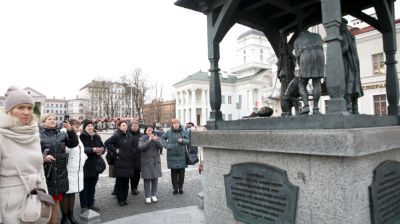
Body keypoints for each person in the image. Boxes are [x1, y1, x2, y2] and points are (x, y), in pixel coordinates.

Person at [0, 86, 48, 223]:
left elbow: (40, 170)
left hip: (35, 201)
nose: (26, 112)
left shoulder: (34, 133)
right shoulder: (2, 136)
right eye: (20, 107)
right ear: (10, 110)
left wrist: (45, 194)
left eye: (29, 107)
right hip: (9, 206)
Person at [40, 112, 79, 224]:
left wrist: (71, 131)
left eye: (54, 119)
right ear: (44, 122)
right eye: (49, 119)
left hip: (59, 173)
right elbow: (31, 153)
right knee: (44, 202)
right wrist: (43, 157)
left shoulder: (61, 134)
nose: (53, 120)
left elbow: (73, 144)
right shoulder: (38, 134)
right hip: (45, 172)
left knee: (56, 201)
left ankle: (53, 222)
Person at [60, 119, 87, 224]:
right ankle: (64, 217)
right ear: (69, 127)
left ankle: (71, 215)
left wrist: (84, 158)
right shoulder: (64, 135)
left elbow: (81, 151)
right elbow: (65, 150)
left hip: (77, 170)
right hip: (68, 169)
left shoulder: (77, 136)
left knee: (73, 193)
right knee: (66, 194)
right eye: (76, 127)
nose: (79, 128)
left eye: (79, 126)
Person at [105, 121, 136, 206]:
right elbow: (107, 143)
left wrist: (132, 153)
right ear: (119, 127)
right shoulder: (117, 136)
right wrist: (115, 150)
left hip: (128, 161)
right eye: (123, 125)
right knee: (120, 182)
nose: (125, 127)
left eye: (126, 125)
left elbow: (133, 146)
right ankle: (120, 199)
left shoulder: (130, 136)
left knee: (126, 182)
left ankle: (125, 199)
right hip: (120, 161)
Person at [294, 30, 325, 115]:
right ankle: (315, 108)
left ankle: (306, 106)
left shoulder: (298, 40)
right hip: (319, 57)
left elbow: (297, 55)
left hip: (306, 57)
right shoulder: (317, 35)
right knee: (317, 83)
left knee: (302, 84)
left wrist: (300, 65)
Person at [79, 119, 105, 213]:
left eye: (91, 126)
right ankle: (84, 206)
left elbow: (103, 146)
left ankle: (91, 204)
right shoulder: (81, 136)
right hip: (85, 165)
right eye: (88, 126)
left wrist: (102, 150)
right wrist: (92, 150)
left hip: (95, 166)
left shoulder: (97, 137)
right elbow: (81, 149)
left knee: (92, 186)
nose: (90, 127)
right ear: (85, 127)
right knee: (84, 187)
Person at [341, 18, 363, 114]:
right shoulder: (351, 35)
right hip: (354, 64)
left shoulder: (344, 35)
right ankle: (355, 109)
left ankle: (349, 108)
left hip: (347, 63)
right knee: (355, 86)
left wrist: (335, 52)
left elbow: (345, 48)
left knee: (348, 85)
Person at [161, 118, 189, 195]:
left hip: (181, 155)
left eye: (177, 123)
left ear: (179, 124)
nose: (176, 124)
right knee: (173, 174)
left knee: (181, 174)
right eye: (174, 123)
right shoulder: (169, 132)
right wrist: (166, 145)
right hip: (171, 155)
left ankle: (180, 188)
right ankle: (175, 188)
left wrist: (183, 140)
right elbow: (162, 138)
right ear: (172, 125)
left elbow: (189, 141)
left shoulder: (183, 131)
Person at [138, 125, 163, 203]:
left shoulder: (156, 138)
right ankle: (148, 196)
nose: (150, 132)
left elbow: (161, 146)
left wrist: (156, 140)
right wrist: (149, 140)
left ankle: (154, 195)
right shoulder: (142, 139)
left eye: (151, 130)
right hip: (146, 163)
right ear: (145, 131)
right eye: (149, 130)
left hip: (156, 162)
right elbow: (141, 147)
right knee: (147, 180)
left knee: (155, 179)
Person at [127, 120, 142, 195]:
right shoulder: (127, 134)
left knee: (137, 175)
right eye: (133, 125)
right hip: (130, 158)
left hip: (139, 158)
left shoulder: (141, 135)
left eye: (136, 125)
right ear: (130, 126)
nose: (135, 127)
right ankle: (132, 188)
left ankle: (135, 188)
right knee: (131, 175)